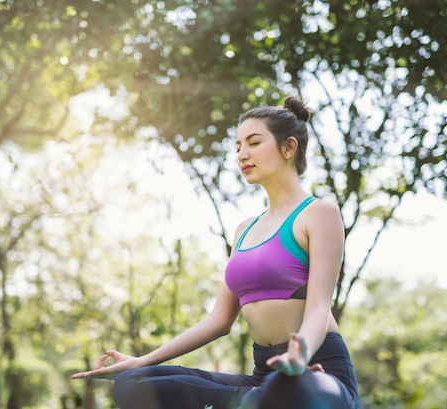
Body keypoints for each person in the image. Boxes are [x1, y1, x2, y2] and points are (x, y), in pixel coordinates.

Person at [72, 96, 360, 409]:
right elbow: (219, 321)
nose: (242, 154)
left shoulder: (319, 213)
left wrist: (299, 353)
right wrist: (143, 360)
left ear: (288, 148)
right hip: (262, 378)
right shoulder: (245, 231)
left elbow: (319, 307)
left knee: (289, 388)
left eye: (253, 142)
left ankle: (263, 398)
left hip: (317, 372)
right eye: (238, 146)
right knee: (133, 383)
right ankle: (252, 401)